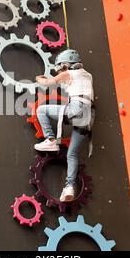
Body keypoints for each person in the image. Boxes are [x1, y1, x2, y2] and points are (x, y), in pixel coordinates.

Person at [34, 49, 94, 203]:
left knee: (41, 110)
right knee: (71, 155)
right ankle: (69, 187)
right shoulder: (88, 75)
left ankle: (51, 140)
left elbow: (49, 83)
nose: (60, 71)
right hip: (88, 117)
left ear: (66, 65)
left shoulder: (69, 73)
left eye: (61, 68)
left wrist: (39, 78)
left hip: (77, 109)